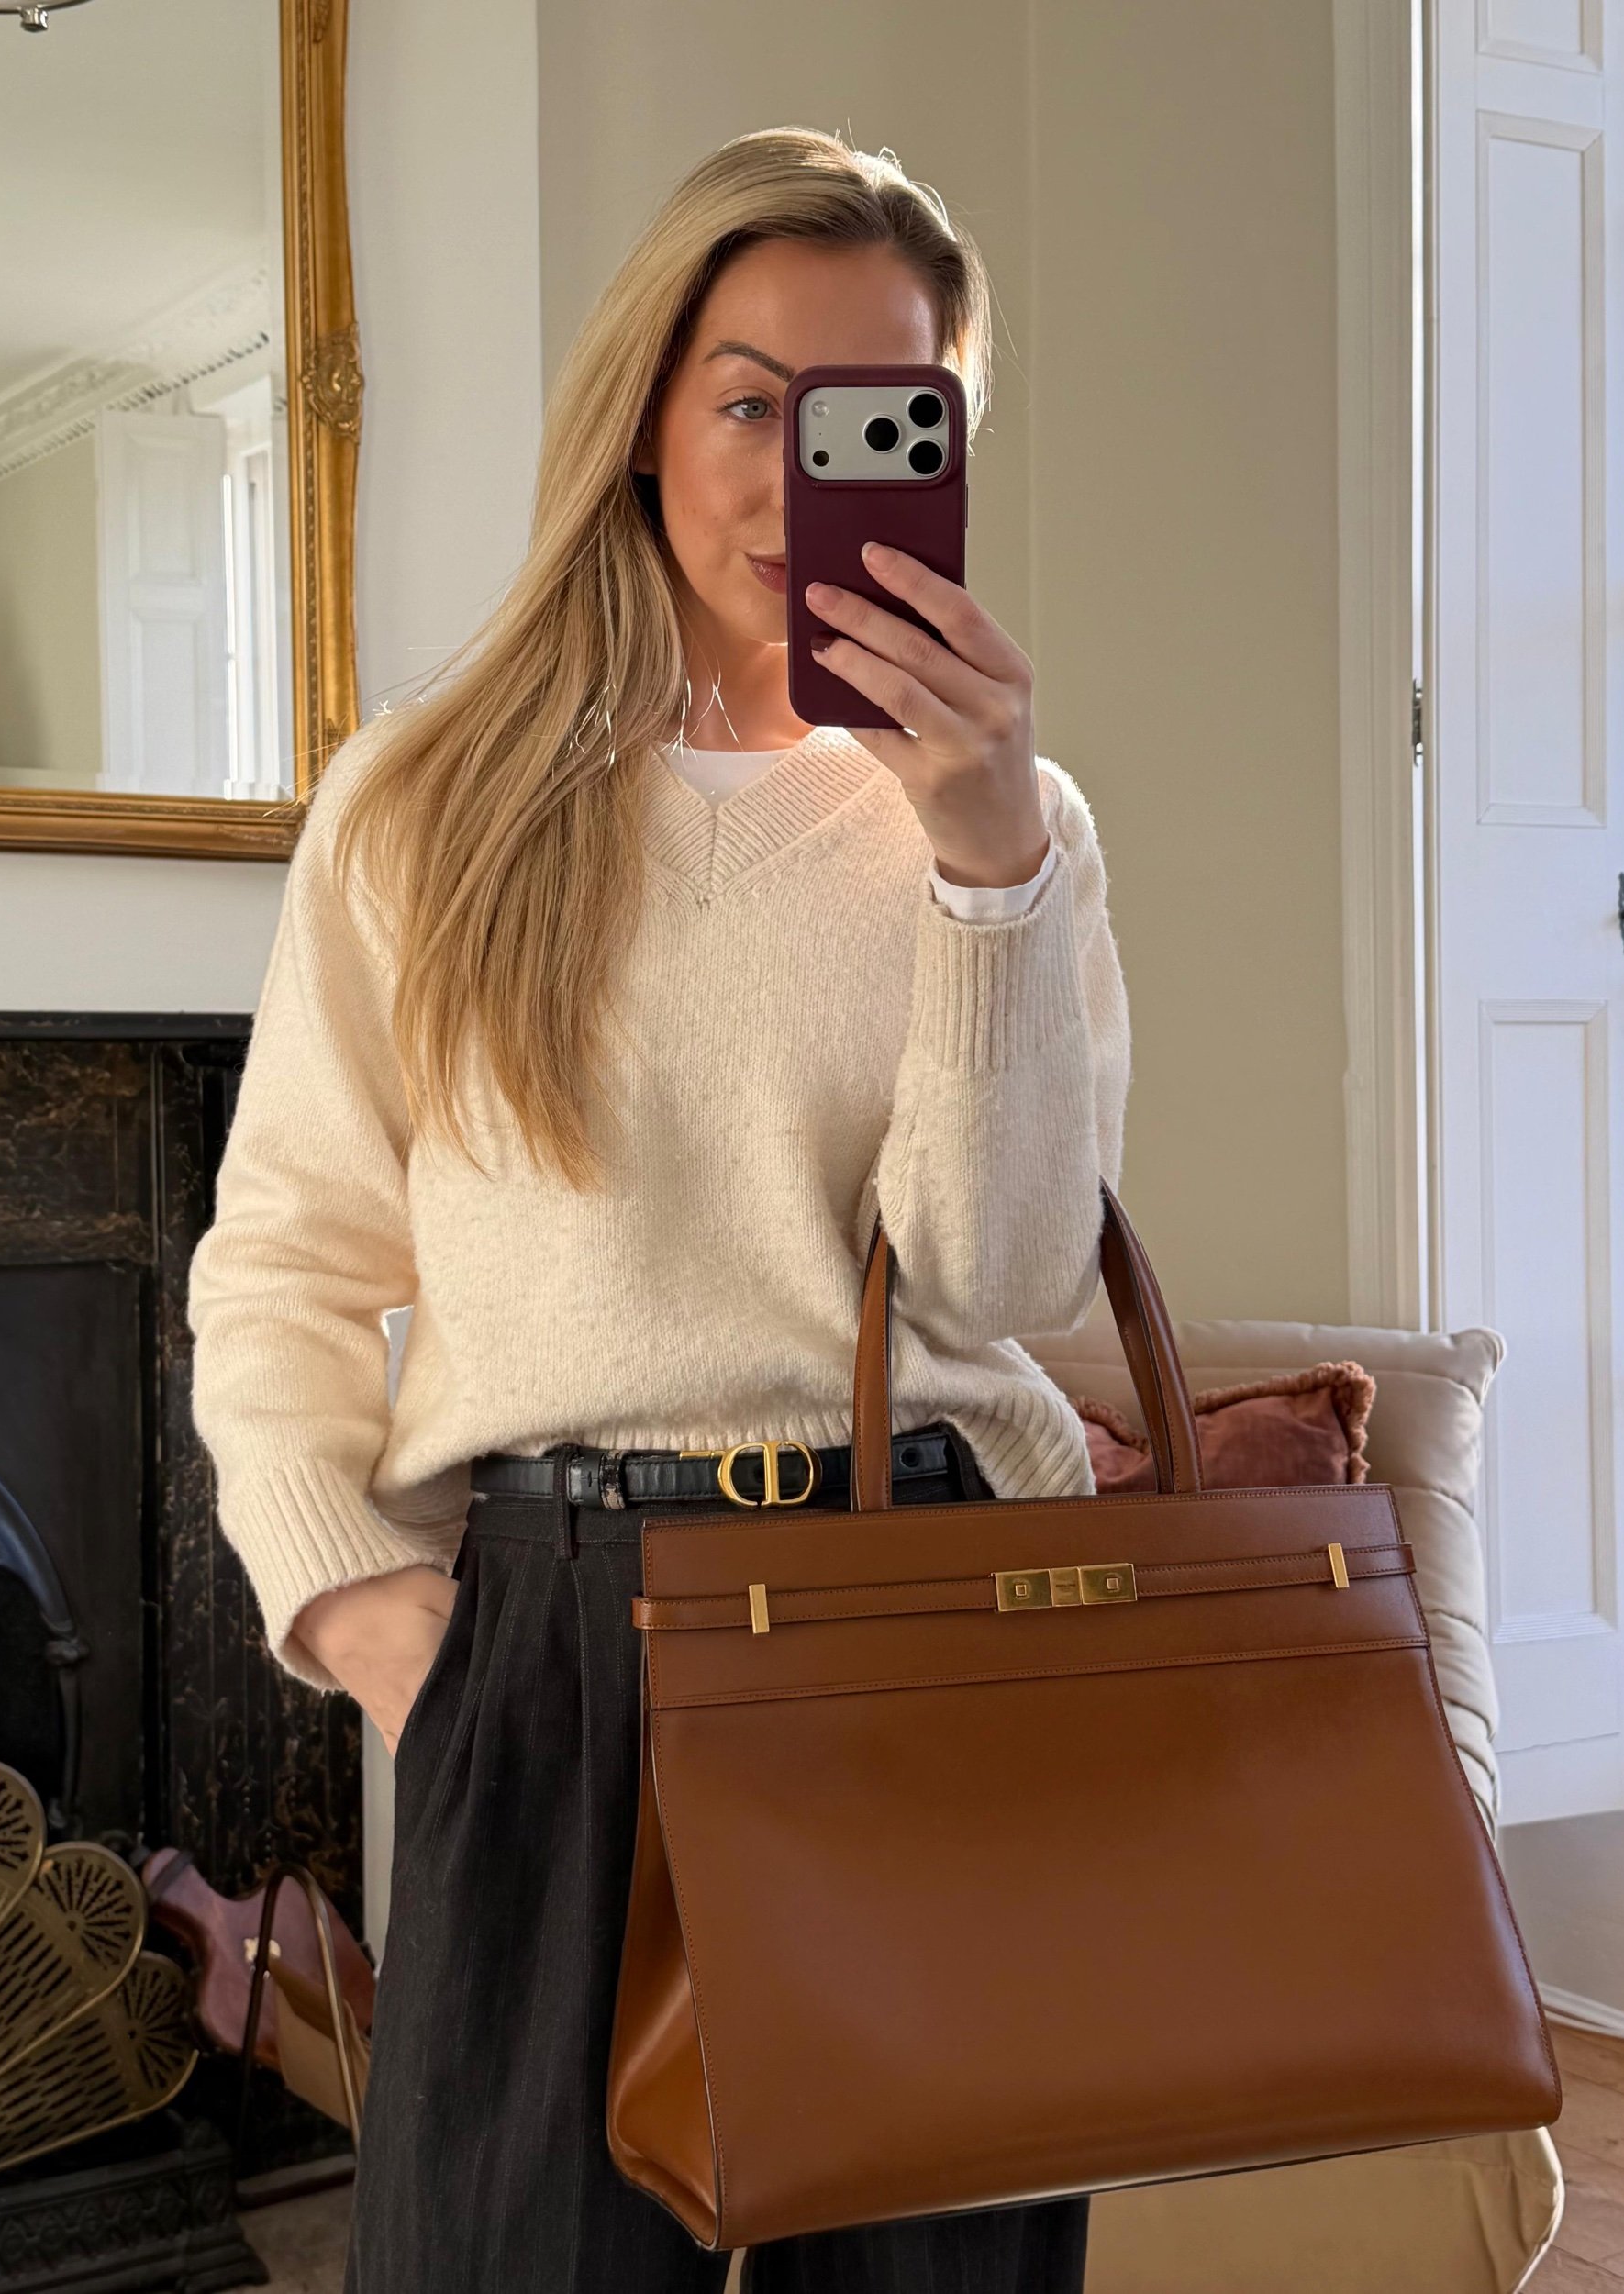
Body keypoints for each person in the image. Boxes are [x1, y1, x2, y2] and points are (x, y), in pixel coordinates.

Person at [186, 124, 1131, 2294]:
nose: (805, 475)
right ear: (640, 415)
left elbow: (1003, 1275)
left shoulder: (1018, 820)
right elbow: (290, 1262)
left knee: (929, 2269)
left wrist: (985, 860)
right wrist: (372, 1612)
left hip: (928, 1604)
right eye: (748, 403)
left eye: (878, 417)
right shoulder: (428, 803)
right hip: (555, 1630)